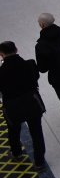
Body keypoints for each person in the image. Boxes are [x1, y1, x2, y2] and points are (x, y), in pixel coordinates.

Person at [0, 41, 47, 171]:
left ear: (1, 54)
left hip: (12, 107)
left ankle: (17, 153)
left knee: (13, 131)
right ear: (16, 49)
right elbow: (35, 78)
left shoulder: (1, 72)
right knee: (36, 132)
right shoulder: (30, 64)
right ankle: (39, 162)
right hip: (32, 103)